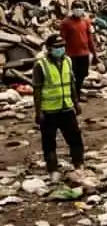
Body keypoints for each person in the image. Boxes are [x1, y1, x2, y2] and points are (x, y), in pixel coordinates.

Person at [33, 33, 84, 177]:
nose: (60, 49)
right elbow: (37, 90)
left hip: (66, 107)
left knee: (75, 138)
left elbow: (71, 83)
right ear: (48, 48)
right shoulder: (41, 65)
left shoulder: (68, 61)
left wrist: (76, 103)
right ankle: (53, 169)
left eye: (62, 46)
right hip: (49, 111)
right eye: (57, 47)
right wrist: (38, 112)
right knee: (49, 142)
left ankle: (79, 164)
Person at [58, 2, 97, 102]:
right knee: (72, 76)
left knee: (82, 75)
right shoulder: (66, 22)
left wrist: (94, 53)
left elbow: (90, 38)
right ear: (72, 9)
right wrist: (61, 54)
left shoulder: (86, 21)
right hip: (71, 54)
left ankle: (77, 95)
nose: (78, 9)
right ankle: (72, 96)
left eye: (80, 7)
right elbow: (62, 39)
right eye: (76, 7)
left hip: (84, 53)